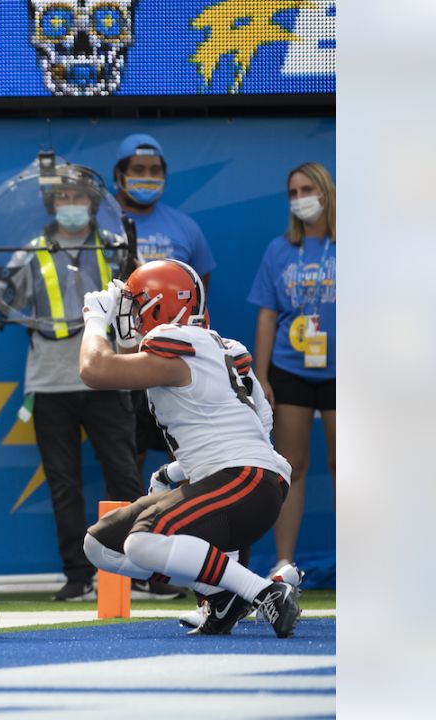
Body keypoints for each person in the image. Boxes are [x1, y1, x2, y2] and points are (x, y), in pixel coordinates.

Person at [0, 159, 180, 602]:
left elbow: (142, 306)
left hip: (109, 378)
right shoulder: (29, 250)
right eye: (62, 197)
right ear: (52, 202)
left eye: (78, 196)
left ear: (92, 201)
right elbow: (2, 301)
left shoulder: (116, 248)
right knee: (62, 483)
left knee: (124, 476)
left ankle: (137, 571)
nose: (71, 204)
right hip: (49, 382)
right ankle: (78, 575)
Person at [78, 259, 301, 638]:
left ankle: (263, 591)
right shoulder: (222, 349)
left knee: (144, 541)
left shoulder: (177, 343)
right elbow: (258, 422)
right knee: (100, 545)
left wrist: (95, 321)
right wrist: (180, 471)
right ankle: (223, 595)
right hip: (240, 480)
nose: (127, 315)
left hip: (243, 483)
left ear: (160, 306)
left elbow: (95, 369)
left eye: (135, 304)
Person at [248, 161, 336, 579]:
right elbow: (267, 316)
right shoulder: (279, 249)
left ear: (327, 191)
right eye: (293, 192)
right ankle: (283, 564)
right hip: (290, 368)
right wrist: (261, 376)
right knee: (291, 466)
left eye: (308, 189)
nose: (301, 199)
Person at [111, 133, 216, 475]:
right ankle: (130, 530)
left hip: (177, 361)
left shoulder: (186, 228)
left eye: (155, 170)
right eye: (139, 168)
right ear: (119, 175)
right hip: (125, 361)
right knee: (128, 466)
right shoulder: (102, 225)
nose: (148, 176)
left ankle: (180, 529)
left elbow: (201, 291)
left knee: (186, 463)